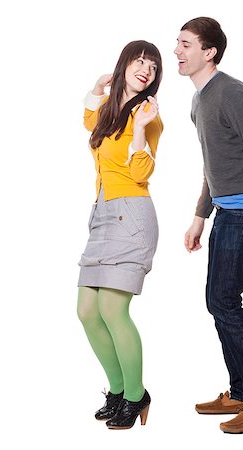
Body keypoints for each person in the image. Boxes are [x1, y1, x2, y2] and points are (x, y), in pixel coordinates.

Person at [175, 17, 243, 434]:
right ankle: (242, 392)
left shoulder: (233, 93)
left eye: (186, 45)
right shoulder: (198, 100)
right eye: (177, 43)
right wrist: (200, 215)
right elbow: (212, 164)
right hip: (225, 212)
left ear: (209, 52)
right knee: (219, 301)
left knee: (224, 301)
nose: (178, 52)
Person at [76, 40, 163, 430]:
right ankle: (118, 391)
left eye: (153, 65)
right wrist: (97, 89)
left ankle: (135, 395)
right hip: (102, 213)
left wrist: (142, 132)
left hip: (132, 215)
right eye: (140, 61)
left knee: (113, 309)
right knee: (86, 311)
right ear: (124, 64)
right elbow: (89, 125)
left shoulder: (148, 115)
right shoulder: (111, 112)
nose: (146, 69)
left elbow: (142, 173)